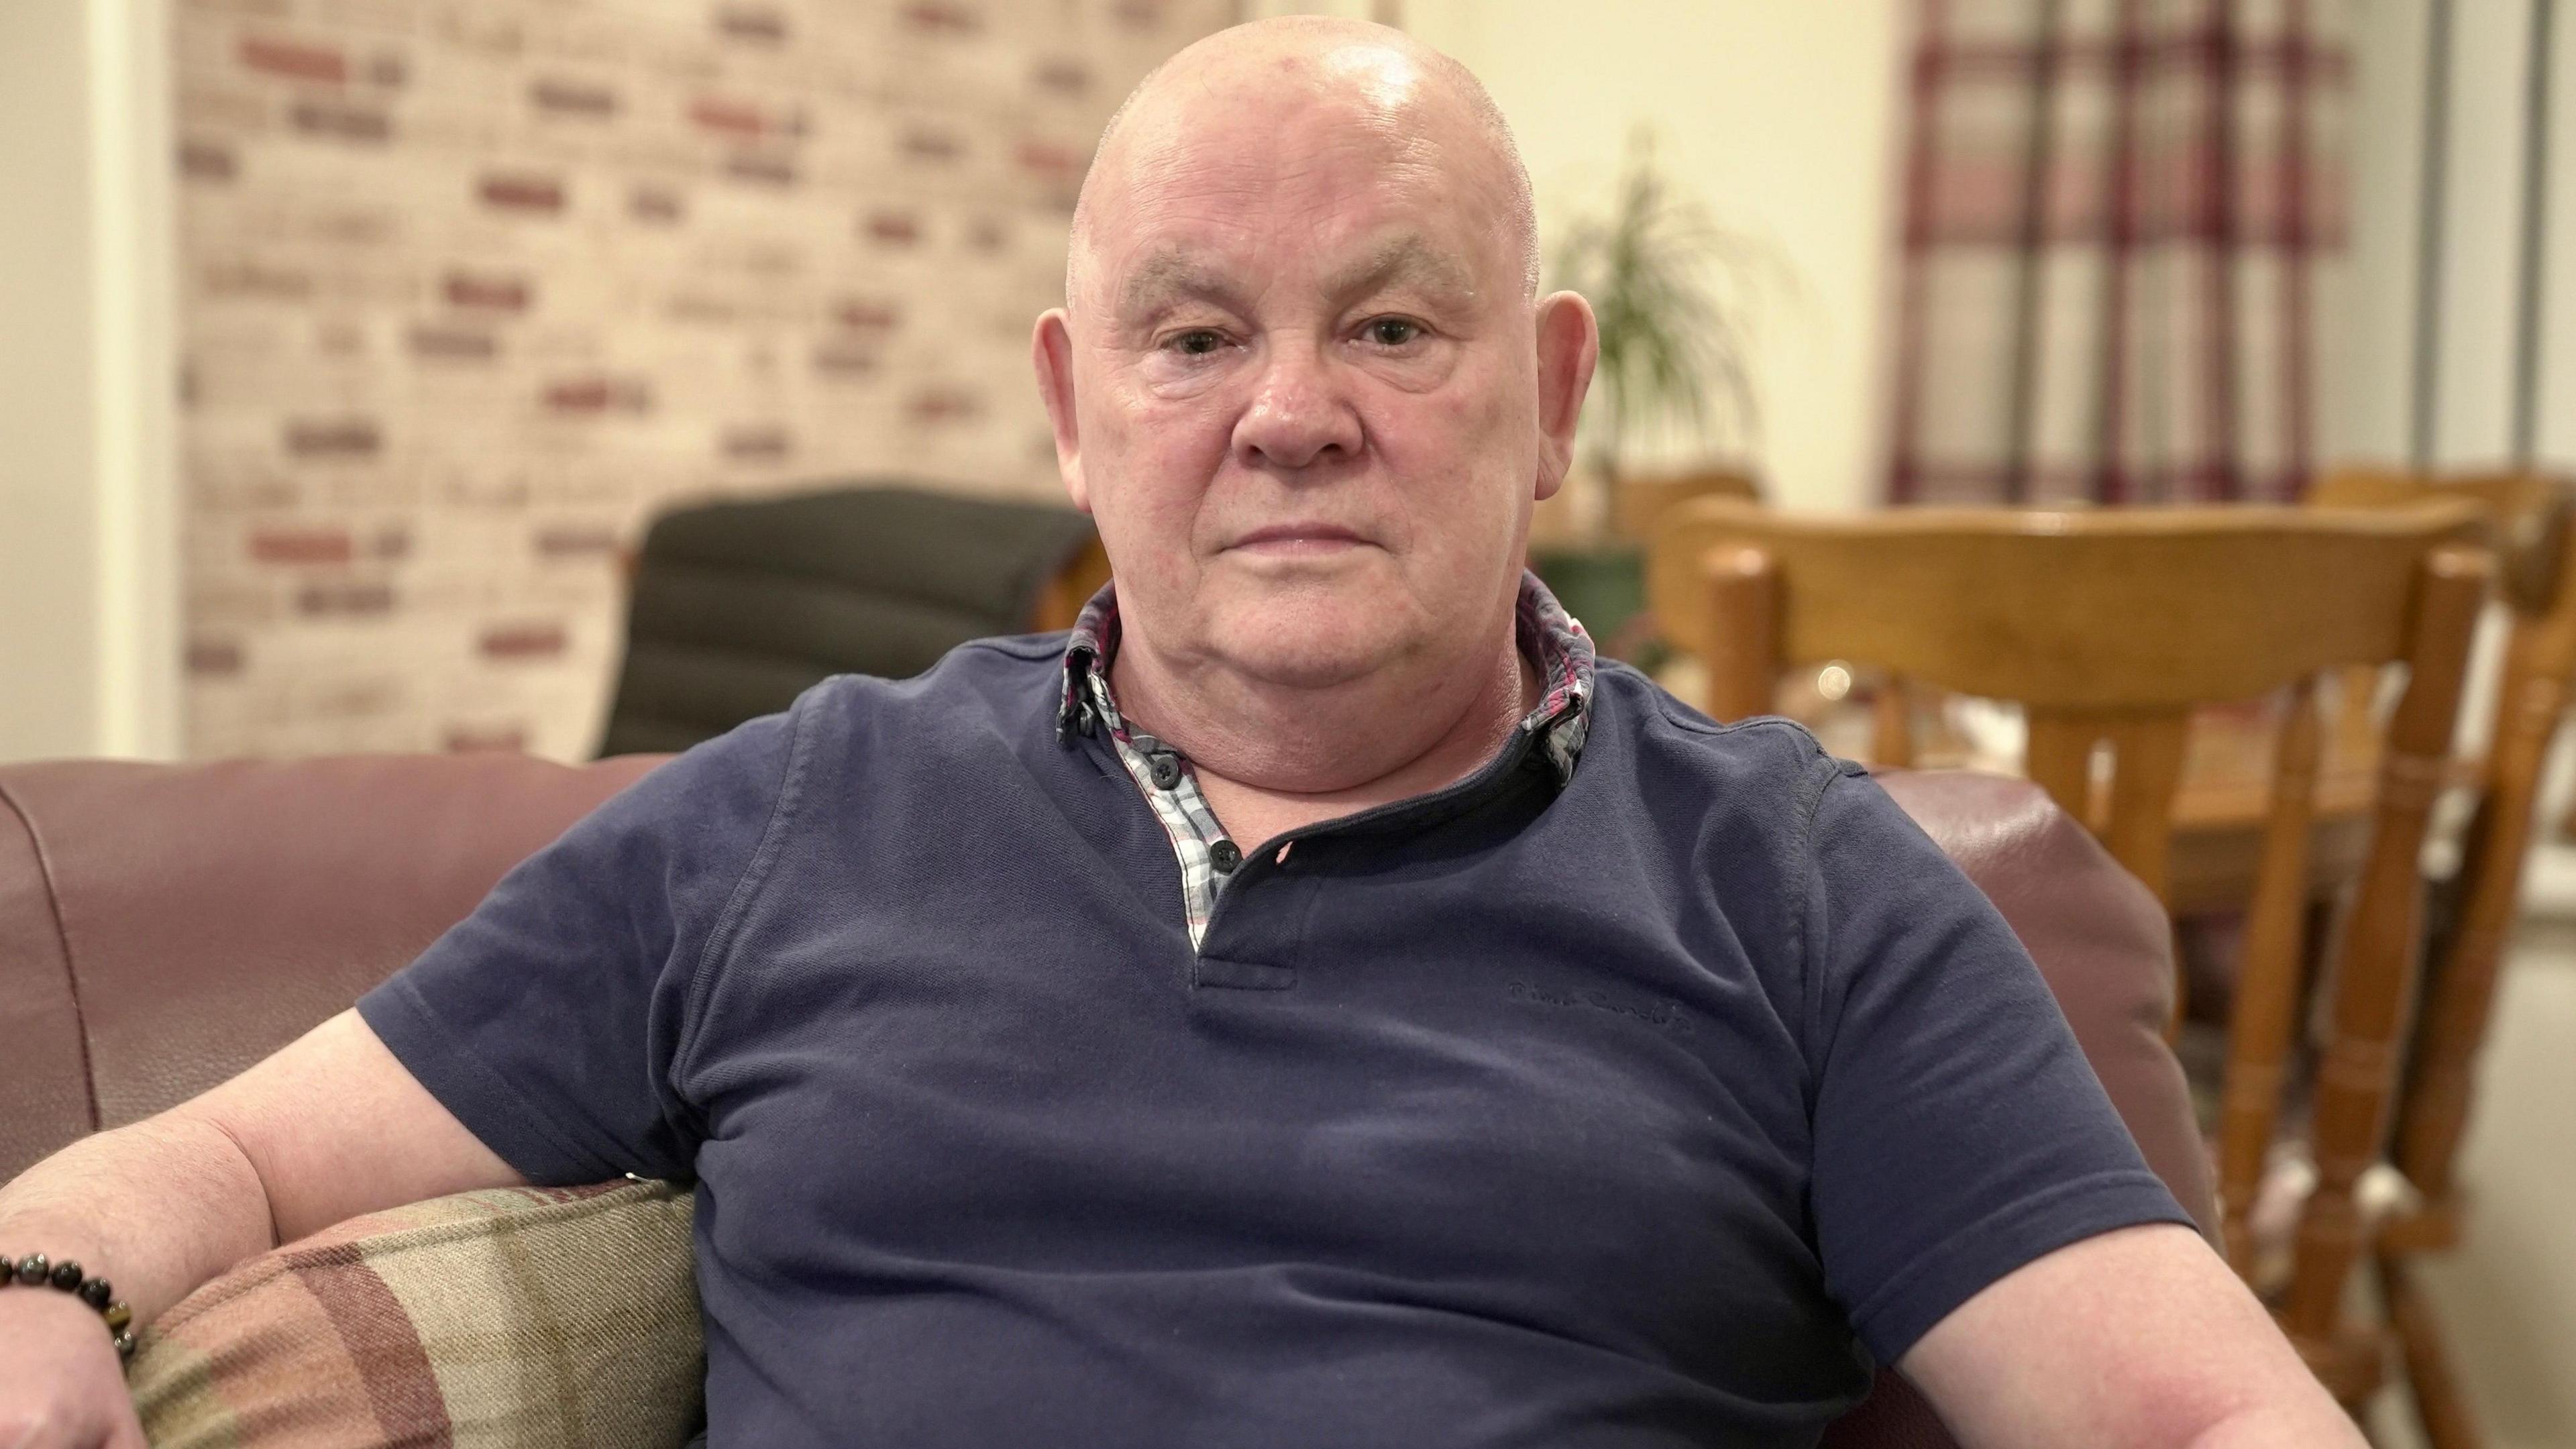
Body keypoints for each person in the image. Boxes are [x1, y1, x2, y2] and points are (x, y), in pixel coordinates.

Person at [0, 17, 2363, 1448]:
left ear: (1545, 395)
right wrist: (42, 1293)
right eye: (1197, 332)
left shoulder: (1805, 890)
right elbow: (227, 1163)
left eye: (1395, 331)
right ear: (1073, 407)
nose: (1294, 418)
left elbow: (2204, 1404)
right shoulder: (801, 810)